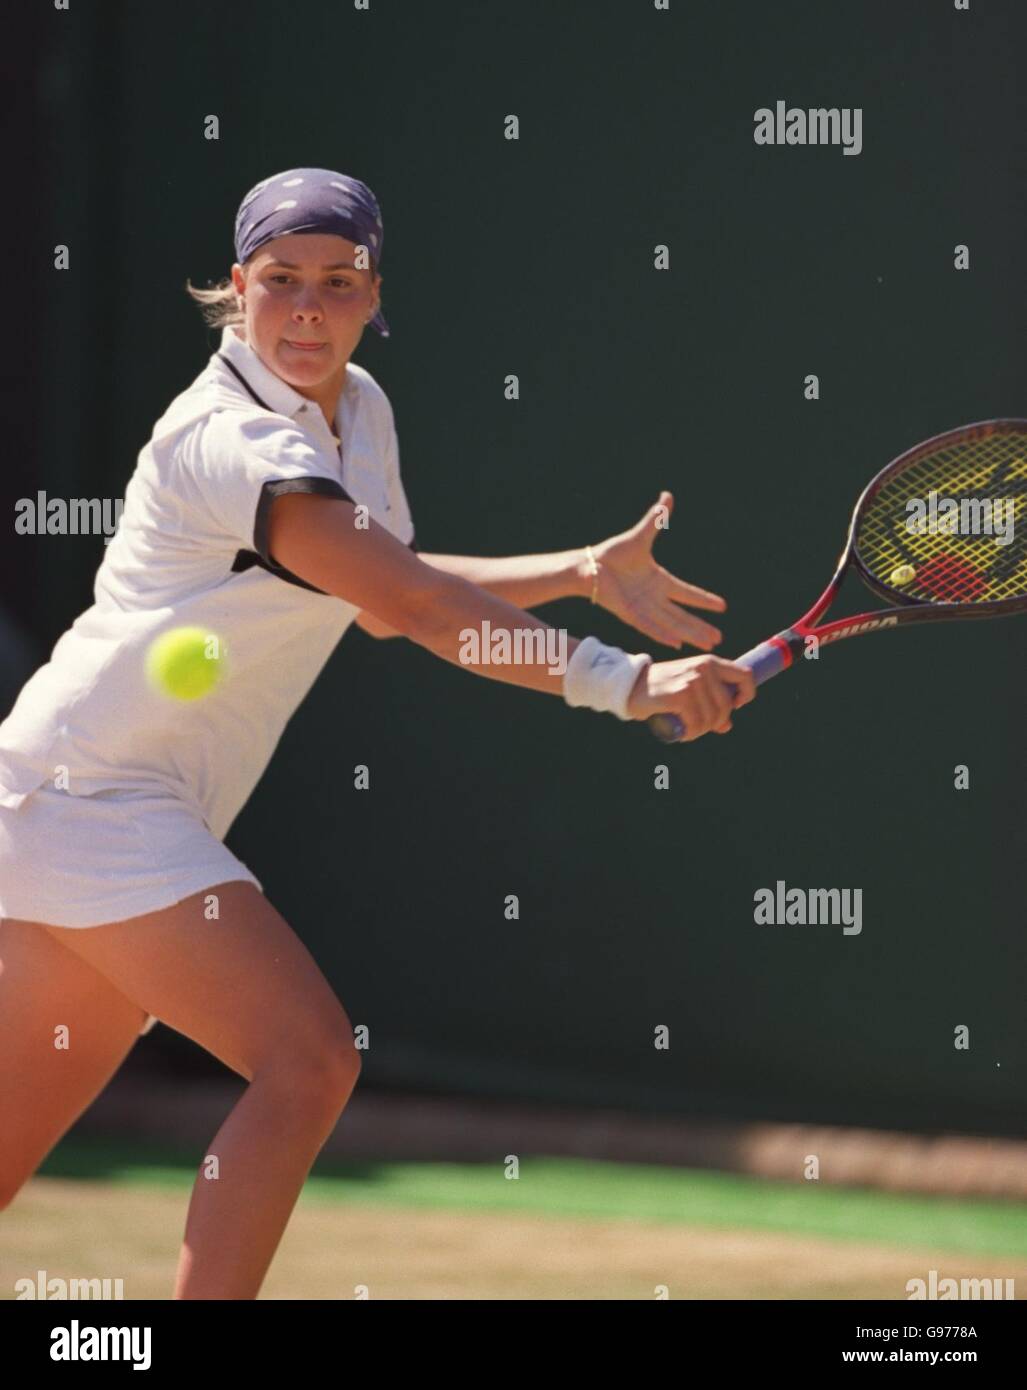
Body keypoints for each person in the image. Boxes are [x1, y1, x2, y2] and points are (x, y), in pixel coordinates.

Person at [0, 168, 755, 1299]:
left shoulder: (359, 412)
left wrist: (582, 576)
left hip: (68, 790)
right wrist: (624, 682)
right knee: (305, 1063)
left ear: (371, 296)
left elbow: (377, 587)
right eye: (280, 282)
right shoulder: (233, 440)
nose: (307, 309)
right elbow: (408, 609)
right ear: (236, 292)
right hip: (93, 791)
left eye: (336, 284)